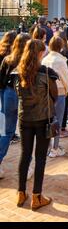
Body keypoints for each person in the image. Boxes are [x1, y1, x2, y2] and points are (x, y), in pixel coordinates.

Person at [16, 39, 58, 210]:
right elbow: (54, 95)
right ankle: (36, 196)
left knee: (25, 155)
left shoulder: (19, 71)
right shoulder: (46, 73)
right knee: (40, 158)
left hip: (24, 118)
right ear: (40, 54)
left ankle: (20, 193)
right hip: (42, 119)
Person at [0, 33, 30, 179]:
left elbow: (1, 80)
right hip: (24, 95)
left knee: (6, 131)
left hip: (7, 94)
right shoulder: (28, 60)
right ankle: (27, 168)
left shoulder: (7, 59)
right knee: (27, 131)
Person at [42, 36, 68, 158]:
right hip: (59, 91)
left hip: (46, 91)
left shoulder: (45, 59)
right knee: (57, 120)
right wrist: (66, 89)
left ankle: (49, 147)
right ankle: (55, 147)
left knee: (48, 119)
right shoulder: (61, 60)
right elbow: (65, 78)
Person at [57, 31, 68, 138]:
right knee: (65, 104)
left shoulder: (53, 53)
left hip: (55, 82)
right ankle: (62, 128)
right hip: (66, 79)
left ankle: (59, 127)